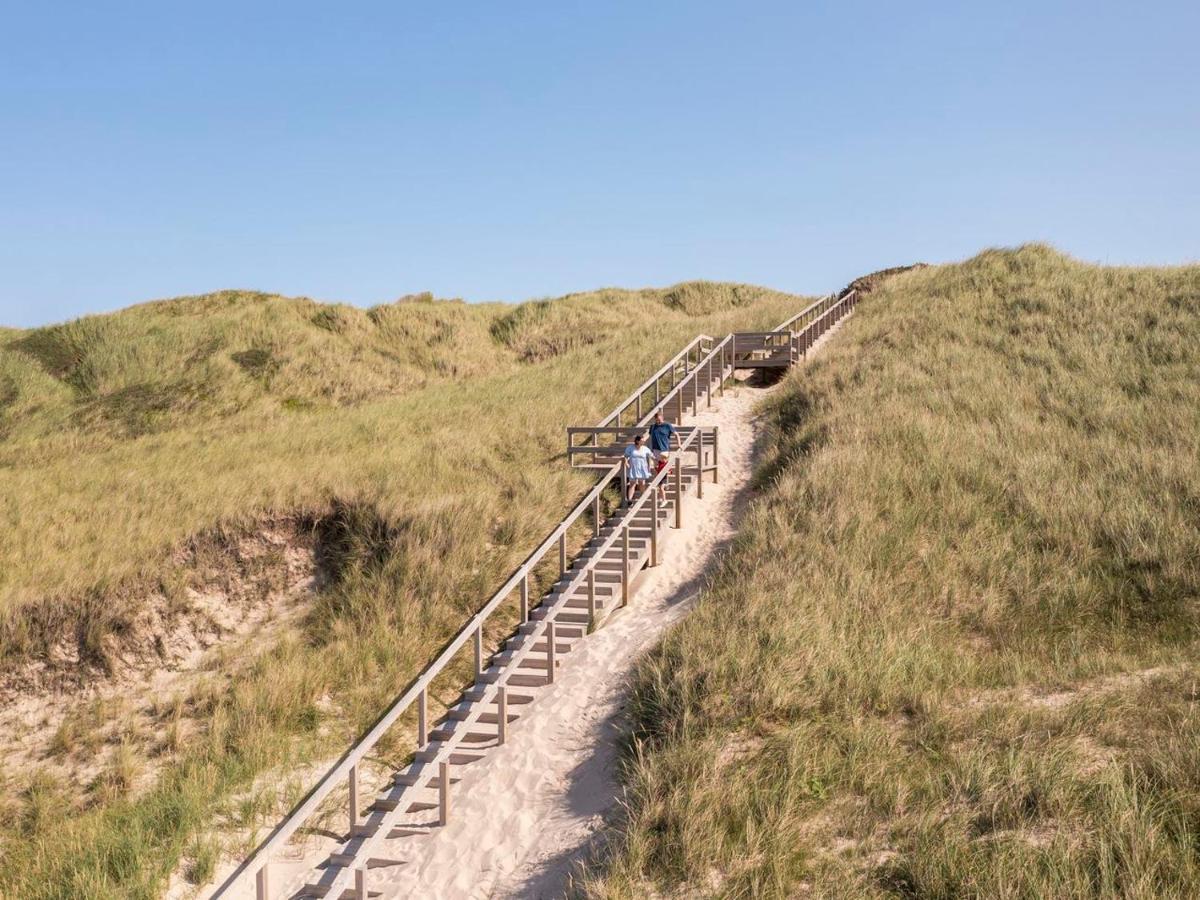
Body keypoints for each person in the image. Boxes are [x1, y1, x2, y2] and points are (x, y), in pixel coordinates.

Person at [623, 433, 654, 502]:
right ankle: (629, 500)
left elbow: (651, 456)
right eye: (642, 440)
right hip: (633, 468)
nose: (643, 441)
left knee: (642, 483)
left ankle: (643, 497)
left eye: (643, 440)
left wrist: (658, 461)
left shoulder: (645, 448)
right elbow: (625, 456)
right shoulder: (630, 447)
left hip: (642, 468)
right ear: (637, 441)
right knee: (632, 484)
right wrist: (626, 463)